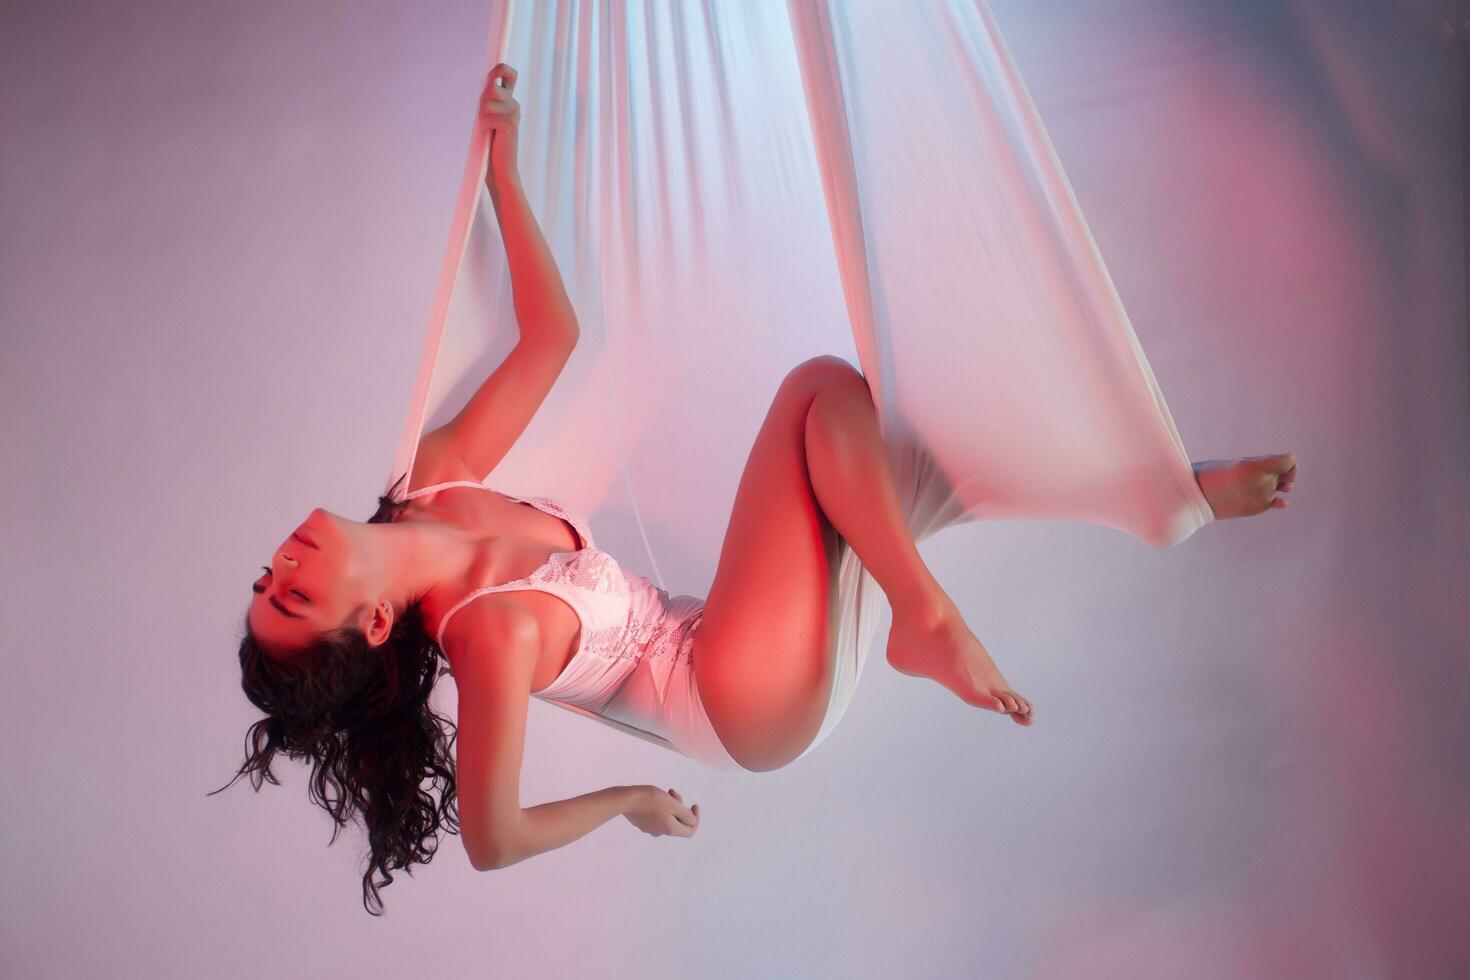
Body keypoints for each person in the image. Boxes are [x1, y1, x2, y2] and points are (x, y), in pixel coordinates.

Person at [214, 65, 1300, 914]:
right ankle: (926, 617)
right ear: (370, 618)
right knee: (817, 397)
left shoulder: (433, 484)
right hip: (735, 696)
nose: (285, 561)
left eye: (269, 576)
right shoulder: (482, 636)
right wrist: (633, 799)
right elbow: (492, 840)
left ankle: (1163, 493)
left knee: (895, 439)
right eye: (294, 595)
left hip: (734, 637)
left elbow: (554, 336)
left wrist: (502, 172)